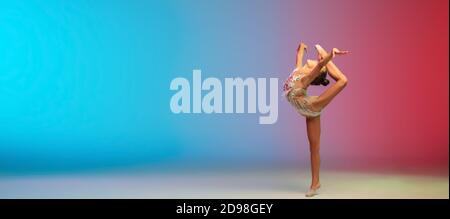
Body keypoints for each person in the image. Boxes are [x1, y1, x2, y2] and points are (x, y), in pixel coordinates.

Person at [283, 43, 349, 197]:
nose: (311, 60)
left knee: (343, 81)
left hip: (311, 105)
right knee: (314, 148)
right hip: (305, 105)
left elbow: (319, 65)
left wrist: (329, 54)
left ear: (316, 72)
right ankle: (316, 182)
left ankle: (314, 184)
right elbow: (300, 58)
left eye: (315, 60)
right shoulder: (298, 72)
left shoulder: (305, 79)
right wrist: (300, 48)